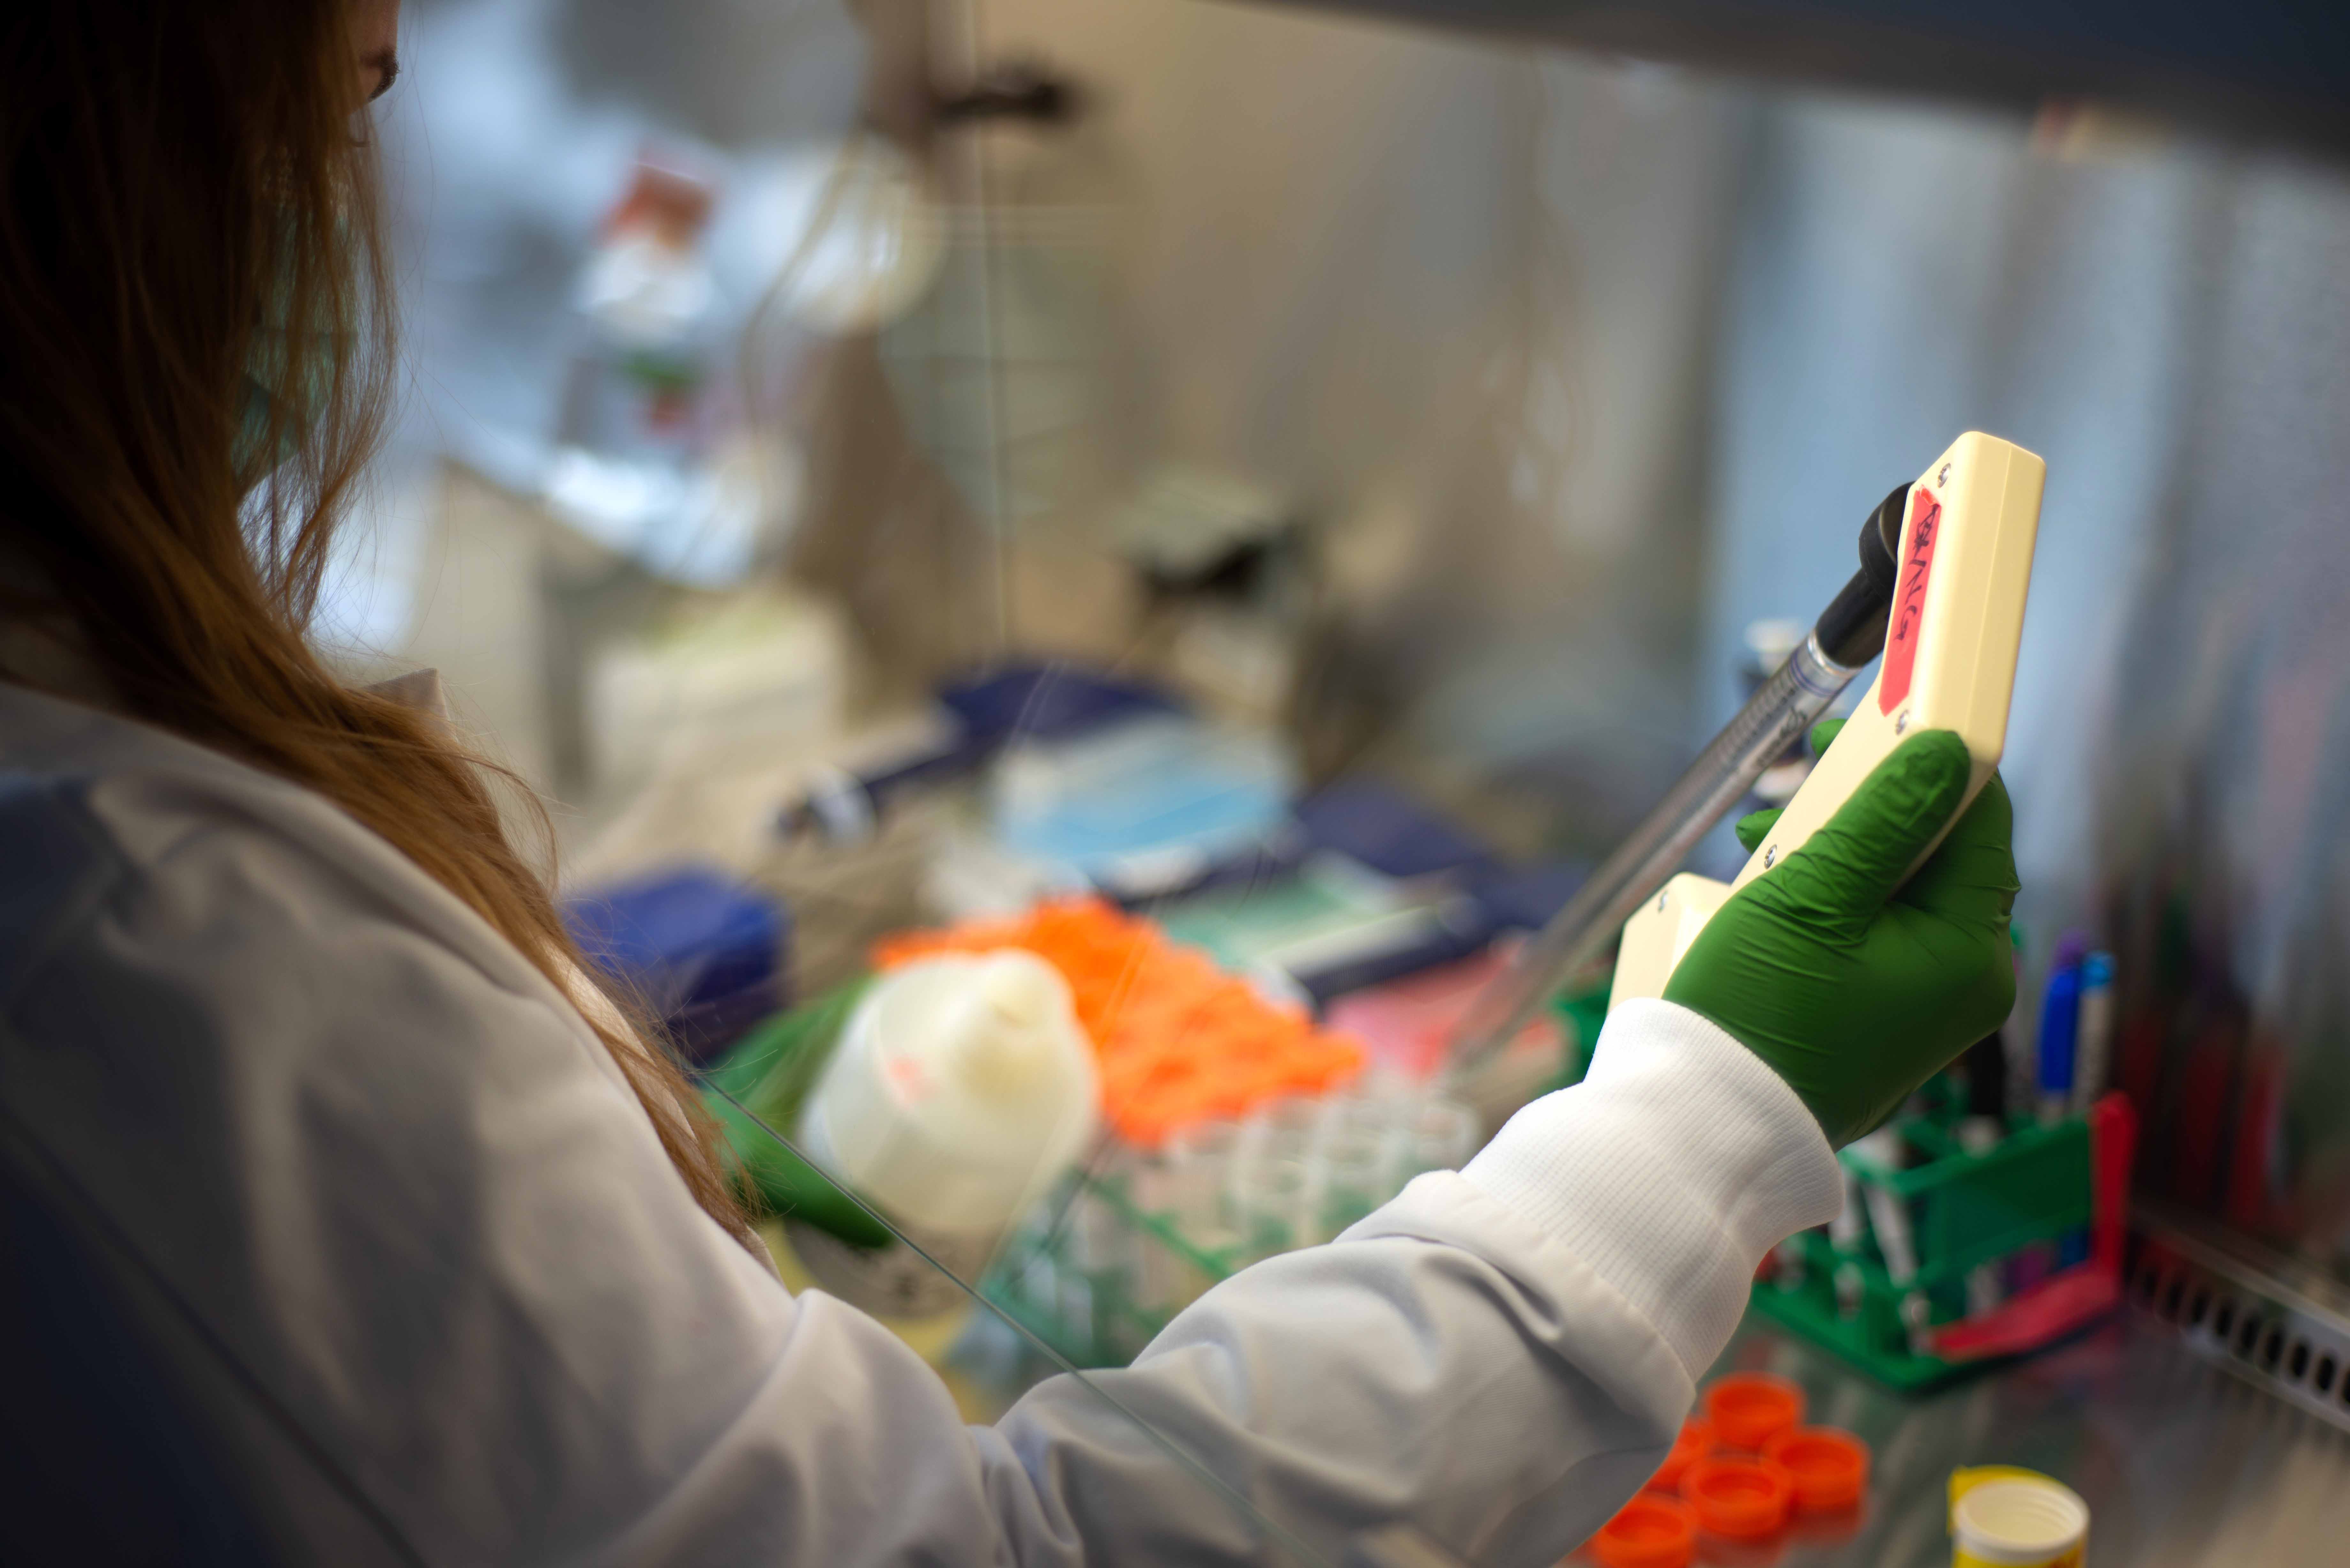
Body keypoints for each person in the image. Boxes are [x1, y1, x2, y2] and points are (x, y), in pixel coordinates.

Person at [0, 3, 2018, 1563]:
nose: (363, 185)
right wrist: (1701, 1126)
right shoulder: (154, 923)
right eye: (349, 98)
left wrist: (624, 1229)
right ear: (95, 149)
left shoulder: (109, 813)